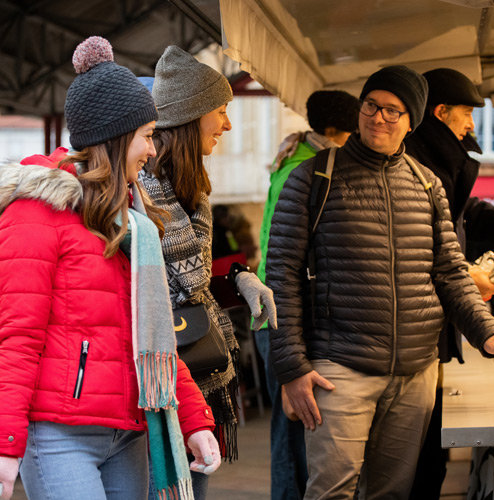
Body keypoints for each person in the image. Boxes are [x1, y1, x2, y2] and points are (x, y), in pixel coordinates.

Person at [265, 65, 494, 500]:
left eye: (393, 111)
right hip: (339, 368)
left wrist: (488, 331)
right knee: (331, 491)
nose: (379, 118)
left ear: (412, 121)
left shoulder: (427, 185)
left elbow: (450, 272)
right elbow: (279, 276)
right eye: (371, 106)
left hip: (416, 372)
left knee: (391, 495)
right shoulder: (314, 177)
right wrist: (292, 368)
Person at [0, 36, 220, 500]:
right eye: (146, 135)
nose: (152, 150)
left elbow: (151, 337)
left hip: (131, 430)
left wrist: (194, 418)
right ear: (117, 138)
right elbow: (16, 337)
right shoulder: (36, 213)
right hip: (61, 434)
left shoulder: (134, 223)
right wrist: (5, 444)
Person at [404, 67, 494, 500]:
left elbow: (463, 211)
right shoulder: (415, 159)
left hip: (432, 325)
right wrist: (465, 275)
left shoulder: (440, 158)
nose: (471, 124)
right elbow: (413, 242)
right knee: (416, 461)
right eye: (467, 113)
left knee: (426, 456)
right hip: (412, 330)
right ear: (441, 111)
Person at [138, 46, 277, 500]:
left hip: (194, 379)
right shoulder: (140, 194)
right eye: (221, 111)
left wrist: (239, 276)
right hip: (154, 385)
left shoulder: (191, 193)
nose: (228, 124)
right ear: (190, 116)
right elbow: (170, 289)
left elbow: (194, 289)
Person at [254, 89, 359, 500]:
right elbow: (286, 259)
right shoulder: (306, 171)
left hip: (276, 311)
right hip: (278, 314)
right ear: (333, 132)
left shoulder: (298, 161)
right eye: (352, 133)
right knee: (294, 427)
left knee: (296, 425)